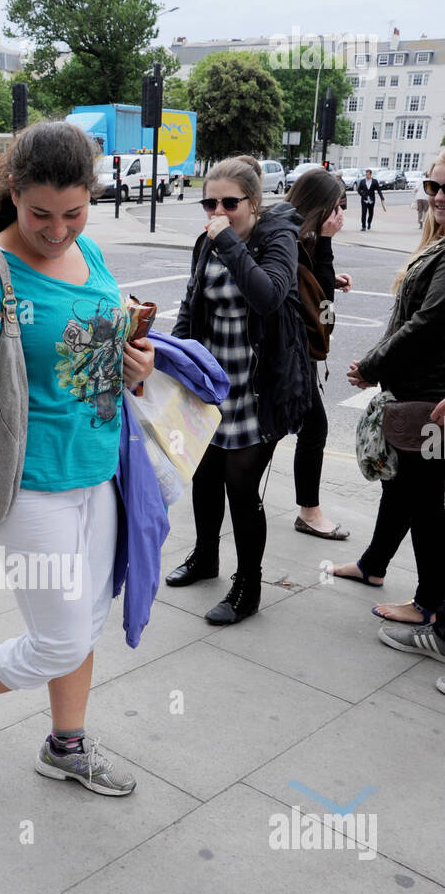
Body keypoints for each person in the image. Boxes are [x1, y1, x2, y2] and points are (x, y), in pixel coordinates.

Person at [0, 121, 154, 794]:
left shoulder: (93, 256)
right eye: (41, 213)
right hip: (29, 483)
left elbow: (100, 357)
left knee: (87, 621)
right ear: (13, 191)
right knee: (59, 639)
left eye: (74, 213)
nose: (58, 230)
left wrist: (136, 364)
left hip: (100, 469)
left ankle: (66, 744)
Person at [165, 156, 311, 624]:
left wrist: (228, 240)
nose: (218, 211)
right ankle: (206, 557)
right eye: (210, 203)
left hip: (260, 385)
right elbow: (192, 304)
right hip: (212, 379)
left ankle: (248, 586)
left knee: (241, 485)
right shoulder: (207, 243)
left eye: (230, 203)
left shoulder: (276, 238)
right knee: (205, 474)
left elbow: (267, 296)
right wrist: (176, 363)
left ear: (253, 202)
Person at [330, 150, 445, 624]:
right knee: (403, 487)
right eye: (433, 186)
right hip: (416, 394)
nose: (437, 197)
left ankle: (430, 603)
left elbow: (427, 324)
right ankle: (374, 564)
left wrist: (373, 365)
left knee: (427, 501)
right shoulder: (438, 244)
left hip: (431, 401)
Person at [286, 167, 353, 539]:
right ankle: (308, 512)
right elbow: (325, 311)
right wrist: (326, 247)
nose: (339, 216)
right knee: (313, 428)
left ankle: (306, 509)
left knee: (305, 428)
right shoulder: (294, 242)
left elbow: (322, 302)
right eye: (334, 207)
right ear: (316, 207)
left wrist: (329, 272)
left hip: (298, 356)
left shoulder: (301, 239)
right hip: (290, 356)